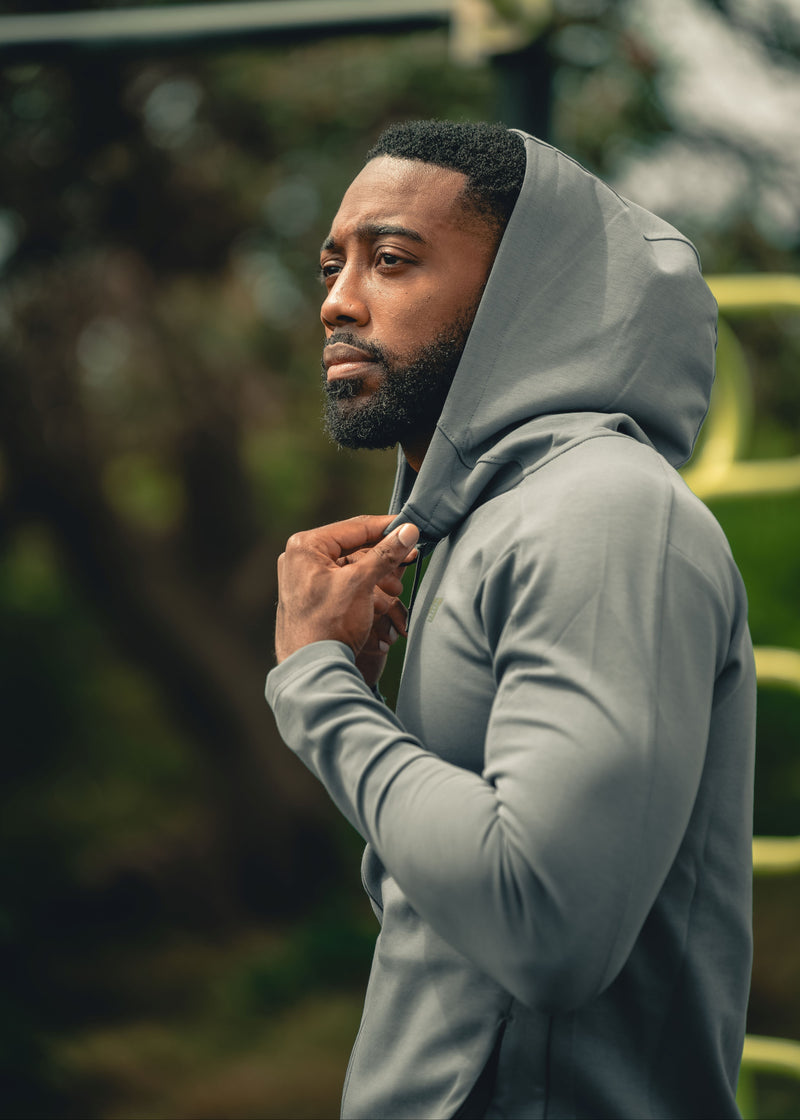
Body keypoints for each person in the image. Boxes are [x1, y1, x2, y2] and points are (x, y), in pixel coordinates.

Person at [266, 121, 756, 1120]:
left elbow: (545, 926)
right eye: (332, 264)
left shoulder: (601, 512)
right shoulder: (481, 525)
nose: (336, 301)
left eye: (390, 260)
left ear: (526, 290)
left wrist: (315, 686)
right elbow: (451, 935)